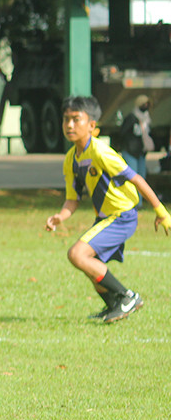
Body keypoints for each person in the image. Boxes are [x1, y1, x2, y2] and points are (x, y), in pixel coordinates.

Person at [45, 95, 171, 323]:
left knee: (77, 254)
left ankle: (127, 296)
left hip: (122, 216)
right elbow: (72, 199)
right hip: (105, 217)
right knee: (90, 264)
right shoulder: (71, 159)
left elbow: (137, 179)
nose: (70, 125)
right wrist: (59, 217)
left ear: (92, 126)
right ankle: (113, 305)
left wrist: (160, 211)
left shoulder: (101, 152)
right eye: (66, 120)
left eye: (76, 119)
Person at [118, 94, 154, 182]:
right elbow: (122, 133)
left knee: (141, 179)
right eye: (144, 104)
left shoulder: (146, 119)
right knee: (132, 179)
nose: (146, 107)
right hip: (130, 152)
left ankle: (139, 196)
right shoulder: (131, 118)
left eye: (147, 105)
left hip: (141, 153)